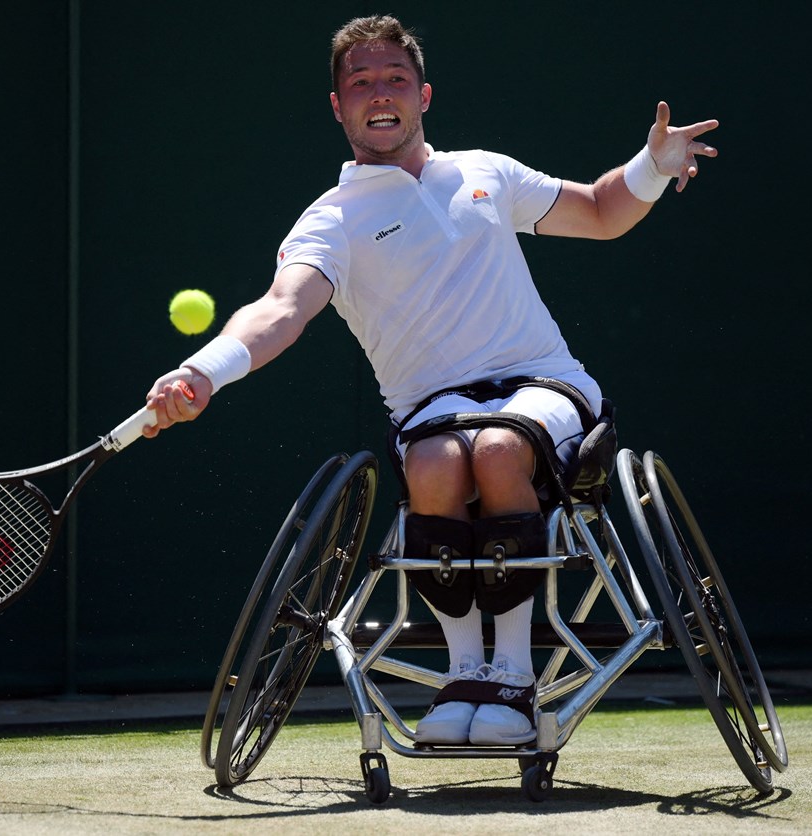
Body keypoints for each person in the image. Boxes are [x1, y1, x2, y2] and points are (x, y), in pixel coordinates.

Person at [141, 14, 718, 746]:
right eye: (361, 84)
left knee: (501, 451)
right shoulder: (331, 220)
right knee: (435, 462)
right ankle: (465, 670)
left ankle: (511, 675)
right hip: (433, 410)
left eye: (395, 80)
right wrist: (203, 372)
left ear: (424, 95)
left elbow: (603, 213)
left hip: (544, 387)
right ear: (337, 106)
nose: (379, 95)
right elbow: (282, 308)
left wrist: (651, 166)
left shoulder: (486, 172)